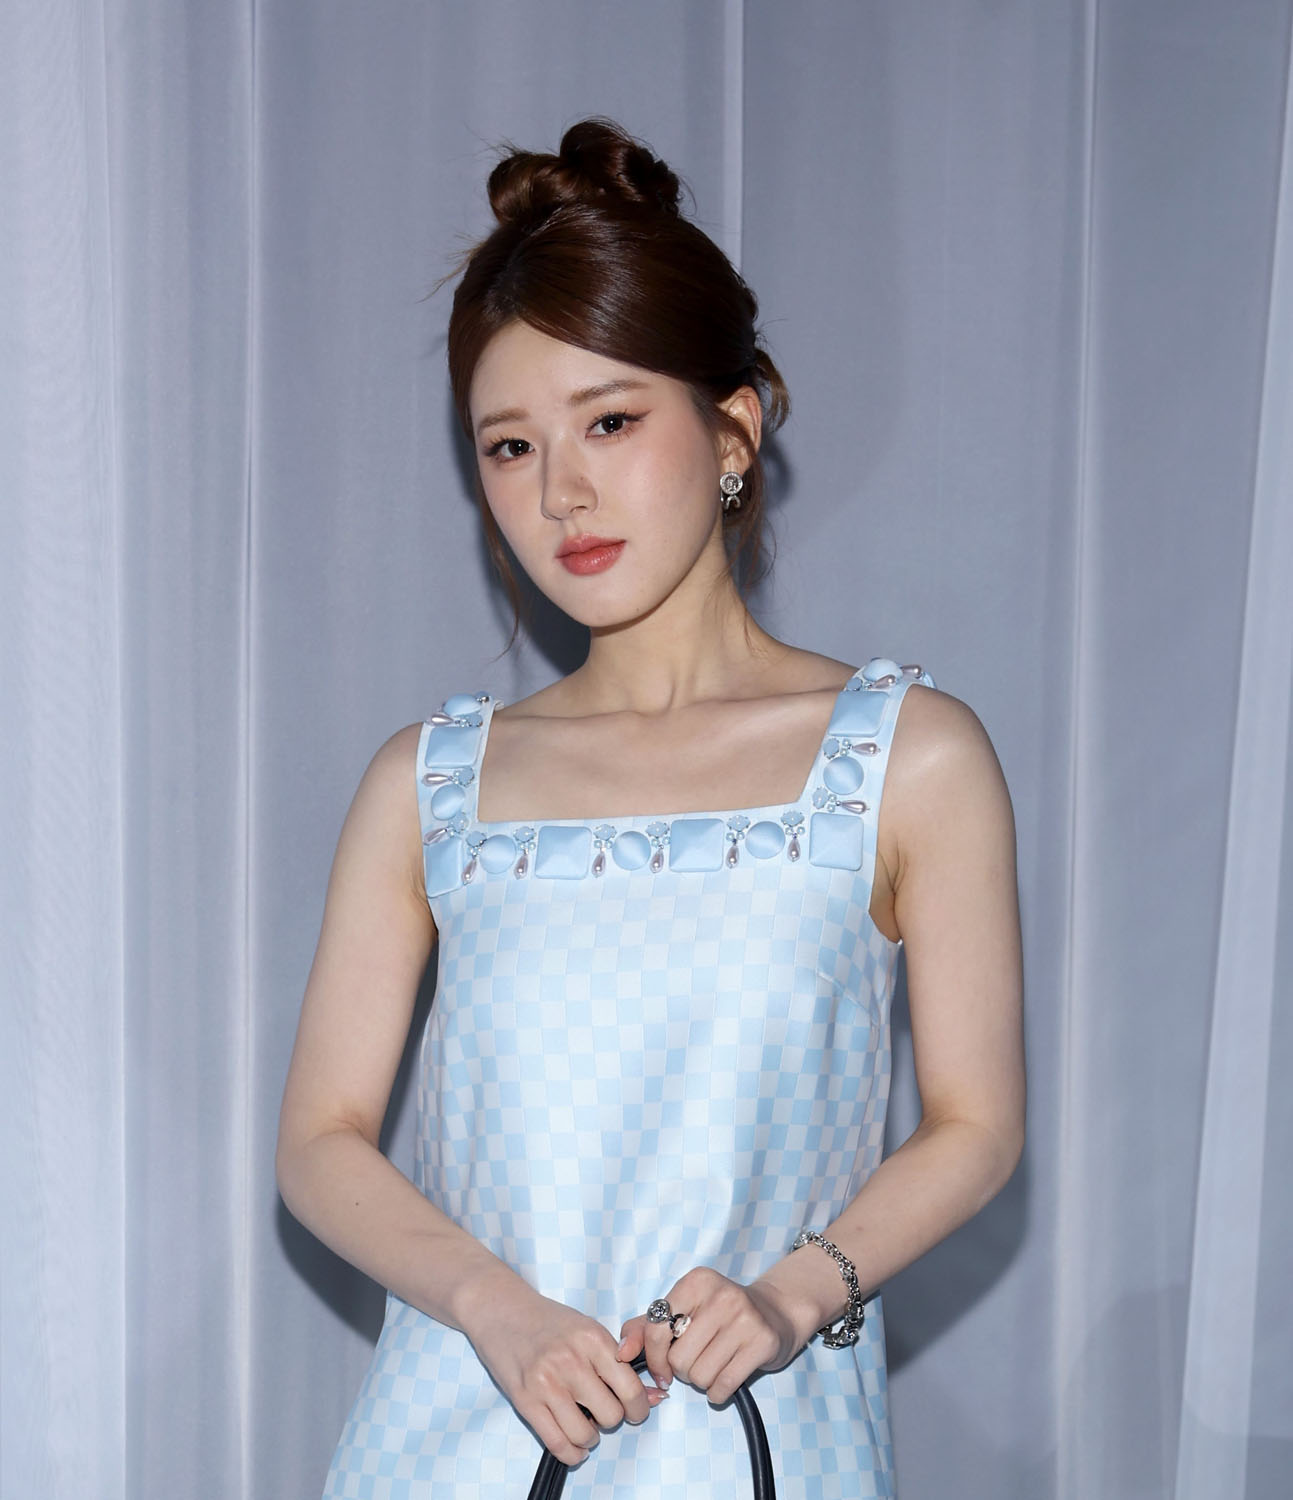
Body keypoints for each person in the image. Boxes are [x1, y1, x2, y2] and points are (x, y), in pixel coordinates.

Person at [276, 117, 1025, 1498]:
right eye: (509, 446)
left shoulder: (907, 760)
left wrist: (795, 1296)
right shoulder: (427, 784)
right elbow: (319, 1141)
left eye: (610, 421)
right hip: (456, 1440)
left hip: (760, 1436)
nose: (562, 492)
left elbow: (974, 1123)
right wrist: (496, 1309)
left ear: (733, 425)